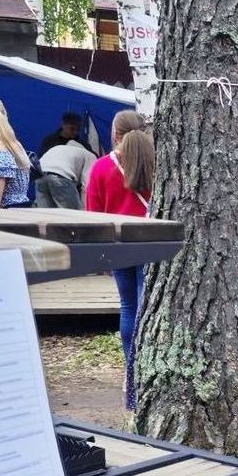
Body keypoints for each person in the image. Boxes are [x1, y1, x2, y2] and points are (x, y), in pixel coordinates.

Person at [85, 113, 152, 410]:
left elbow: (93, 214)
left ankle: (131, 373)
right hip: (153, 244)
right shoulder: (156, 162)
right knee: (147, 309)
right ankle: (150, 368)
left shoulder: (101, 167)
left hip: (119, 246)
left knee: (128, 307)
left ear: (114, 135)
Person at [37, 136, 96, 209]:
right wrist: (86, 210)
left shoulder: (58, 148)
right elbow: (86, 186)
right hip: (61, 177)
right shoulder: (89, 155)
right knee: (71, 214)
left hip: (40, 176)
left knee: (45, 213)